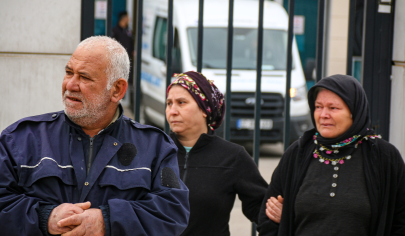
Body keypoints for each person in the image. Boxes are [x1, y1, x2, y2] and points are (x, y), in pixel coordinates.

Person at [0, 36, 189, 236]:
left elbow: (172, 212)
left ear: (117, 90)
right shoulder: (21, 139)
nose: (71, 85)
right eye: (68, 72)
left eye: (85, 77)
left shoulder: (155, 147)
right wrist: (45, 217)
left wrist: (107, 221)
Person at [258, 74, 405, 236]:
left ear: (354, 111)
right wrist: (286, 220)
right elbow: (267, 219)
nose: (323, 115)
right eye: (318, 106)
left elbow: (400, 220)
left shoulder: (384, 157)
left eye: (333, 108)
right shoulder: (297, 153)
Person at [166, 71, 268, 236]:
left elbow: (262, 209)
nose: (173, 111)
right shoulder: (156, 150)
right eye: (169, 103)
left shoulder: (232, 156)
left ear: (204, 109)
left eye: (181, 102)